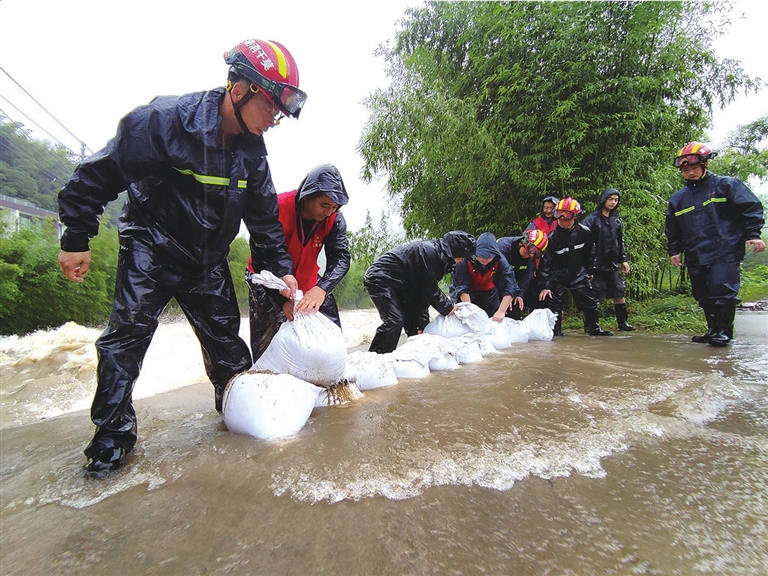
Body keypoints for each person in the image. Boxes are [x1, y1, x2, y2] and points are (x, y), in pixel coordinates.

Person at [57, 39, 306, 477]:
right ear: (240, 89)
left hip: (206, 261)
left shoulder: (253, 155)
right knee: (126, 339)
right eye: (271, 106)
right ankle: (111, 442)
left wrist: (284, 279)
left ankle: (240, 422)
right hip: (151, 246)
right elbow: (100, 173)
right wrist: (76, 236)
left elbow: (265, 225)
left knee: (230, 352)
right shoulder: (166, 121)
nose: (275, 119)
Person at [246, 163, 351, 361]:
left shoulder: (334, 219)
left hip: (308, 282)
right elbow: (261, 255)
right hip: (267, 278)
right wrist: (280, 301)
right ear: (307, 196)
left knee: (330, 339)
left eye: (334, 207)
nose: (329, 212)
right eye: (324, 205)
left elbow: (341, 258)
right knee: (268, 342)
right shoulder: (276, 208)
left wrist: (322, 288)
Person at [665, 141, 765, 346]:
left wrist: (752, 234)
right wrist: (674, 251)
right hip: (696, 252)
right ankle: (712, 330)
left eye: (693, 168)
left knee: (723, 290)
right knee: (702, 294)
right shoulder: (678, 199)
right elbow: (673, 228)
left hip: (724, 249)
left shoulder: (725, 185)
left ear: (704, 165)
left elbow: (750, 208)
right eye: (685, 170)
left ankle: (723, 332)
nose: (690, 172)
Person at [364, 231, 477, 354]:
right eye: (462, 256)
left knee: (416, 330)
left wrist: (421, 325)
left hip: (402, 286)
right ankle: (376, 358)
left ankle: (408, 358)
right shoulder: (429, 252)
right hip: (381, 279)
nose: (462, 260)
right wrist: (448, 307)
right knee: (394, 321)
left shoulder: (440, 260)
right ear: (455, 251)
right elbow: (428, 289)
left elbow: (422, 297)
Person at [538, 197, 613, 337]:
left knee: (590, 301)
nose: (561, 221)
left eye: (565, 217)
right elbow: (545, 264)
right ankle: (555, 332)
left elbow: (590, 254)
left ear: (574, 217)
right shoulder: (552, 238)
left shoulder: (585, 233)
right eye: (559, 217)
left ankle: (593, 329)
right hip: (558, 276)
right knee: (555, 305)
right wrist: (546, 285)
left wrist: (590, 271)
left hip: (578, 273)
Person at [582, 188, 636, 331]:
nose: (613, 202)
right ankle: (590, 325)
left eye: (616, 200)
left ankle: (623, 323)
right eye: (610, 199)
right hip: (596, 265)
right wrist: (588, 265)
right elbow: (583, 241)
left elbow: (619, 241)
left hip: (611, 263)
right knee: (594, 295)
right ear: (603, 199)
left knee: (619, 291)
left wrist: (623, 259)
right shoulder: (592, 219)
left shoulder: (615, 219)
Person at [451, 232, 519, 322]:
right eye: (481, 255)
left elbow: (511, 285)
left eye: (489, 256)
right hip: (467, 294)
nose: (484, 259)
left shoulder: (500, 260)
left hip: (489, 293)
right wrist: (471, 312)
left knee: (494, 319)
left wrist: (501, 311)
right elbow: (462, 288)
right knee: (465, 319)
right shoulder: (464, 259)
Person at [497, 229, 549, 320]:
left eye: (536, 253)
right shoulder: (503, 246)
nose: (531, 255)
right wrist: (507, 295)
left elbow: (526, 277)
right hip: (494, 284)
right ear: (523, 242)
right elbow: (505, 273)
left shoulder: (529, 257)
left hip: (512, 286)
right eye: (532, 249)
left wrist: (520, 295)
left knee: (516, 308)